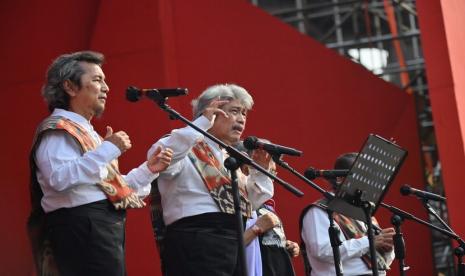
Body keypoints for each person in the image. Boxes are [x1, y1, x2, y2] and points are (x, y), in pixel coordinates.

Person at [28, 51, 173, 276]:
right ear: (70, 87)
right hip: (81, 228)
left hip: (99, 227)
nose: (106, 88)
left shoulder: (87, 133)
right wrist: (109, 149)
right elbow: (59, 178)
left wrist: (148, 170)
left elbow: (112, 189)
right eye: (97, 80)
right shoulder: (57, 128)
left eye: (105, 81)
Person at [148, 84, 275, 276]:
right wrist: (201, 124)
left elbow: (251, 203)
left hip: (233, 242)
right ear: (211, 112)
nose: (241, 119)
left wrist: (261, 171)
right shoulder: (184, 143)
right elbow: (158, 156)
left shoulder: (228, 157)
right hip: (196, 240)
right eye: (234, 111)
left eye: (244, 113)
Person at [300, 152, 395, 276]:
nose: (367, 183)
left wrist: (386, 248)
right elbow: (323, 251)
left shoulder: (363, 209)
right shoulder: (319, 211)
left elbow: (379, 260)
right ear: (340, 178)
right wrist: (370, 242)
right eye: (361, 177)